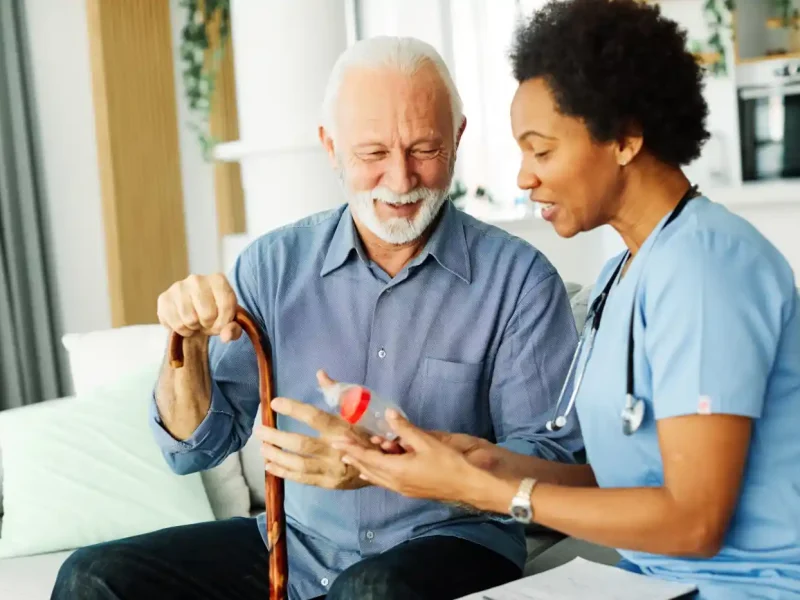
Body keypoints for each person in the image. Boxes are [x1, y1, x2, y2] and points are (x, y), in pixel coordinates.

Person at [50, 36, 583, 600]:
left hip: (454, 542)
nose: (401, 181)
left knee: (370, 592)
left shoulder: (521, 280)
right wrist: (187, 346)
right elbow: (191, 449)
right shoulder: (274, 265)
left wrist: (381, 463)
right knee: (92, 578)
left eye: (424, 149)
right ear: (330, 147)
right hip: (293, 545)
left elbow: (549, 467)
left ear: (457, 138)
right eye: (373, 154)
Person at [333, 2, 800, 599]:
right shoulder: (621, 274)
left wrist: (494, 495)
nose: (525, 177)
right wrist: (486, 465)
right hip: (654, 583)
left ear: (626, 137)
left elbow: (696, 521)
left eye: (542, 150)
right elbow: (627, 480)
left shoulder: (705, 267)